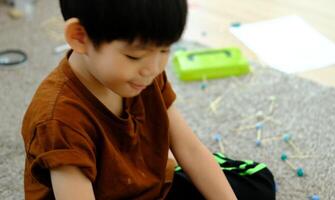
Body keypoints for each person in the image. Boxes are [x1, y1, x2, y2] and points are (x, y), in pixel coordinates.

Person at [21, 0, 275, 199]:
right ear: (79, 37)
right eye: (134, 56)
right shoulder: (58, 119)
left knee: (258, 184)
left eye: (164, 50)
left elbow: (190, 148)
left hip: (147, 187)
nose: (152, 68)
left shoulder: (145, 75)